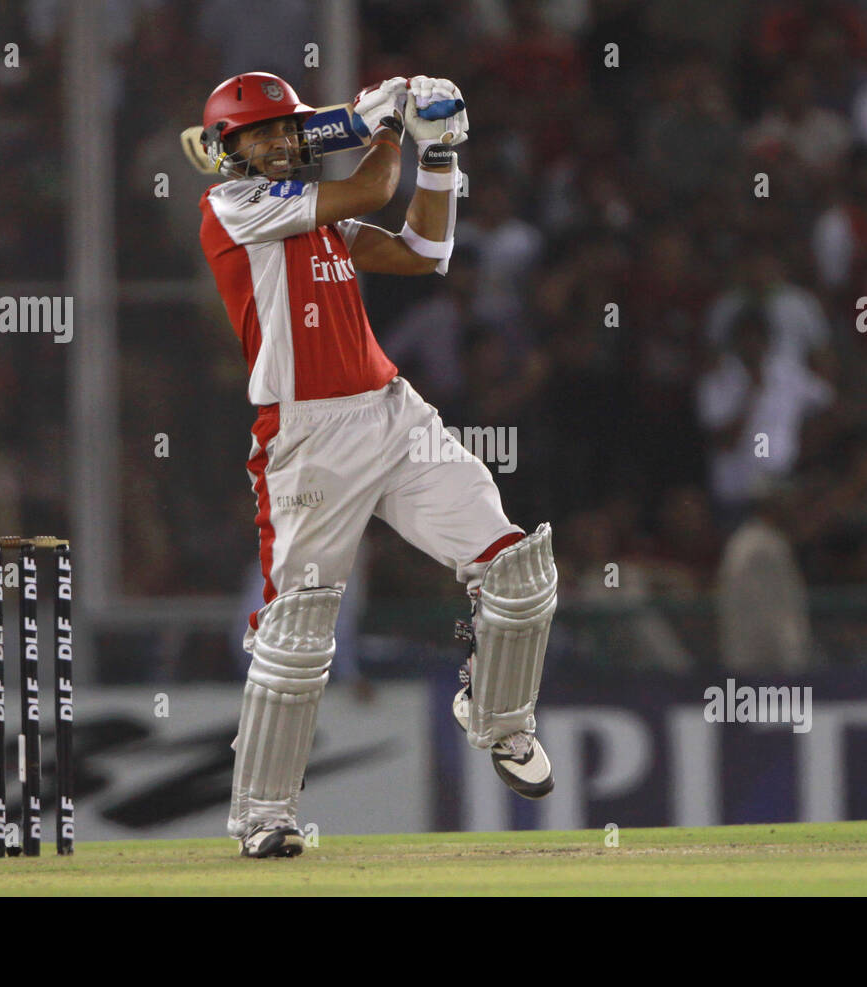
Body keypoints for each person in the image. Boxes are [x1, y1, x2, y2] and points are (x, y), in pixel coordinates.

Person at [194, 73, 557, 859]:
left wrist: (442, 154)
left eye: (289, 129)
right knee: (296, 632)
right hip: (307, 435)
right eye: (263, 134)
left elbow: (428, 250)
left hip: (393, 413)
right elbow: (370, 183)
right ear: (230, 150)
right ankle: (263, 813)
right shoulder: (234, 209)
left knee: (519, 570)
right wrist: (390, 123)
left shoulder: (315, 213)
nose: (283, 142)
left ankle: (496, 718)